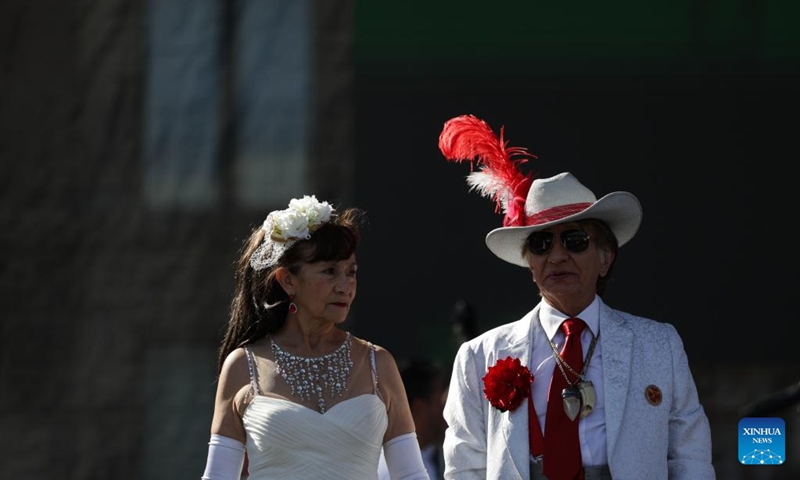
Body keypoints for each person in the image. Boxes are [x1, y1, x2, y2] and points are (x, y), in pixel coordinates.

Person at [437, 114, 716, 480]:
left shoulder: (659, 345)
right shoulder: (479, 357)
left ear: (605, 257)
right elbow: (465, 468)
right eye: (540, 244)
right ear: (528, 263)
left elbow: (690, 459)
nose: (556, 256)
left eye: (575, 241)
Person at [201, 195, 429, 480]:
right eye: (330, 271)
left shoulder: (378, 364)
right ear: (287, 280)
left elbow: (411, 475)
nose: (345, 286)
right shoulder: (243, 366)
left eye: (351, 272)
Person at [378, 358, 449, 480]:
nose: (447, 409)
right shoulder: (399, 471)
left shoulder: (426, 458)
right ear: (419, 409)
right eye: (439, 402)